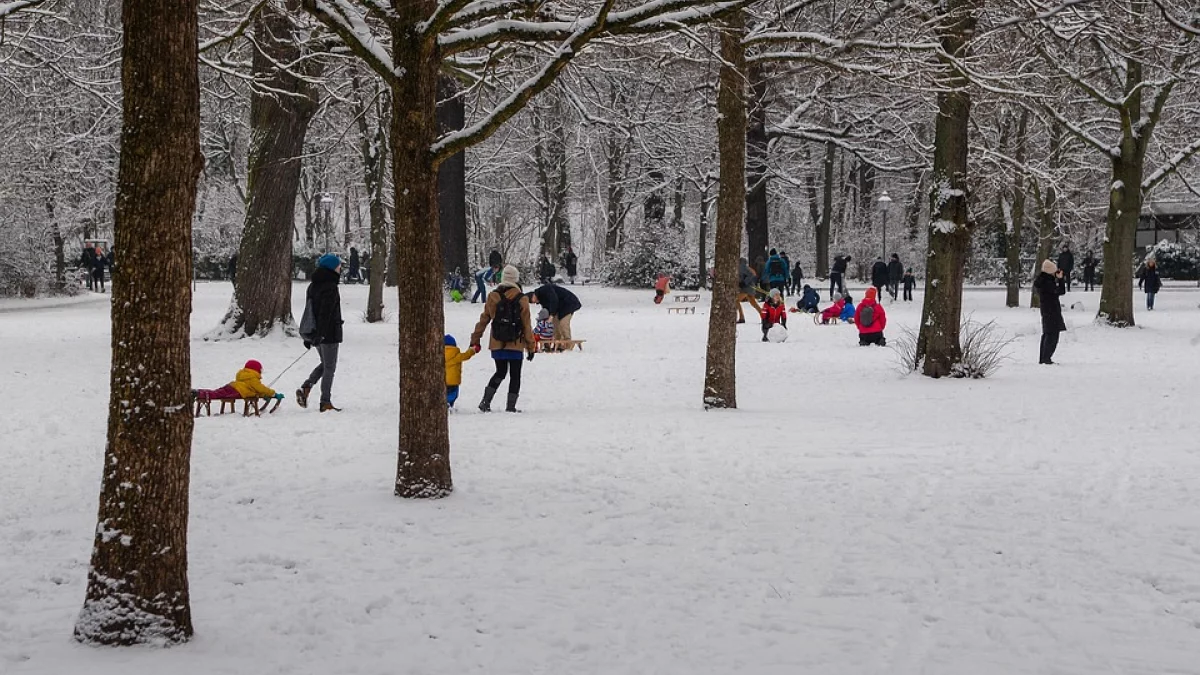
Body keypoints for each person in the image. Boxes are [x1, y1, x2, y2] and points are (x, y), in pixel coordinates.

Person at [470, 264, 535, 412]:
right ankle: (511, 406)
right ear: (516, 279)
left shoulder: (493, 296)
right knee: (515, 375)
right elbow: (526, 325)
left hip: (497, 343)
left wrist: (475, 339)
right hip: (516, 343)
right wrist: (531, 347)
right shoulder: (522, 299)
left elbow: (483, 320)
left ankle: (485, 401)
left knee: (500, 372)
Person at [296, 254, 344, 412]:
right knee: (330, 367)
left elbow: (310, 312)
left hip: (316, 332)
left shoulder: (313, 286)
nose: (340, 268)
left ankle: (307, 387)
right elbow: (325, 312)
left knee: (326, 364)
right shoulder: (331, 286)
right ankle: (325, 402)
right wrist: (321, 334)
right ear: (332, 267)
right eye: (338, 265)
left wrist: (311, 334)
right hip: (328, 333)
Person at [194, 359, 284, 404]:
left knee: (216, 392)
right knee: (218, 395)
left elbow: (254, 391)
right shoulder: (252, 378)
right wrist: (273, 394)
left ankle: (199, 392)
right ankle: (199, 394)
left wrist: (263, 395)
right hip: (237, 391)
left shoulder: (245, 375)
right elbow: (260, 388)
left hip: (232, 386)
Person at [1034, 259, 1066, 365]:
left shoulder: (1042, 281)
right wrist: (1060, 280)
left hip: (1047, 310)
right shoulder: (1047, 282)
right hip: (1052, 310)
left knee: (1047, 333)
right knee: (1052, 335)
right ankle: (1046, 358)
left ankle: (1043, 358)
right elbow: (1061, 291)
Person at [443, 335, 477, 409]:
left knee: (444, 393)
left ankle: (445, 404)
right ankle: (449, 404)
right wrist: (472, 350)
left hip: (443, 380)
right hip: (453, 381)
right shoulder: (456, 355)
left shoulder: (439, 356)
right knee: (453, 394)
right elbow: (466, 355)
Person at [736, 258, 763, 324]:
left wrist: (744, 282)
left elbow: (751, 275)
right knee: (754, 303)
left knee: (736, 300)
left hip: (746, 288)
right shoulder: (745, 267)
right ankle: (764, 317)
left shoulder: (741, 267)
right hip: (749, 288)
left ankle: (741, 317)